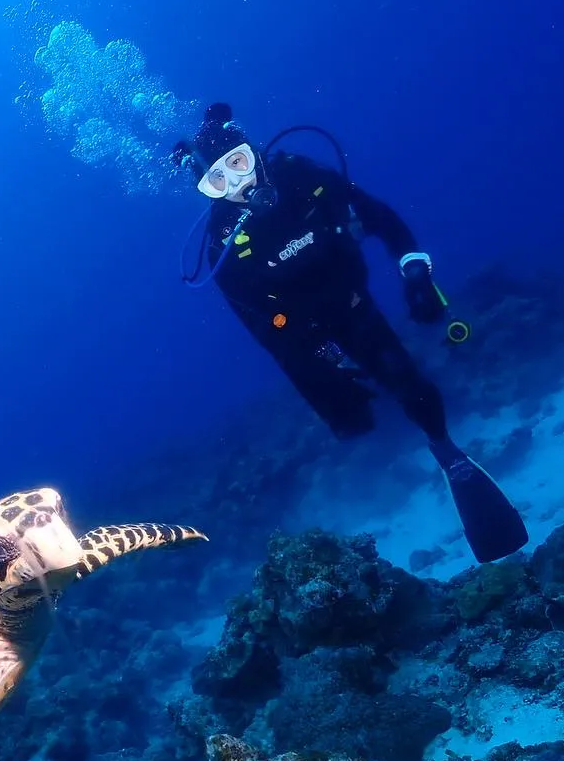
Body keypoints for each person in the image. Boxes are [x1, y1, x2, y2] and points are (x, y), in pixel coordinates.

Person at [173, 102, 527, 564]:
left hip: (353, 303)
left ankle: (446, 450)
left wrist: (416, 274)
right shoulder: (222, 245)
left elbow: (380, 218)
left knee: (408, 383)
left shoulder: (302, 178)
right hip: (303, 331)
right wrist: (321, 358)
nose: (237, 185)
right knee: (351, 421)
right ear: (206, 190)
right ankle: (370, 436)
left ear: (253, 152)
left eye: (238, 163)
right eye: (217, 180)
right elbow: (262, 325)